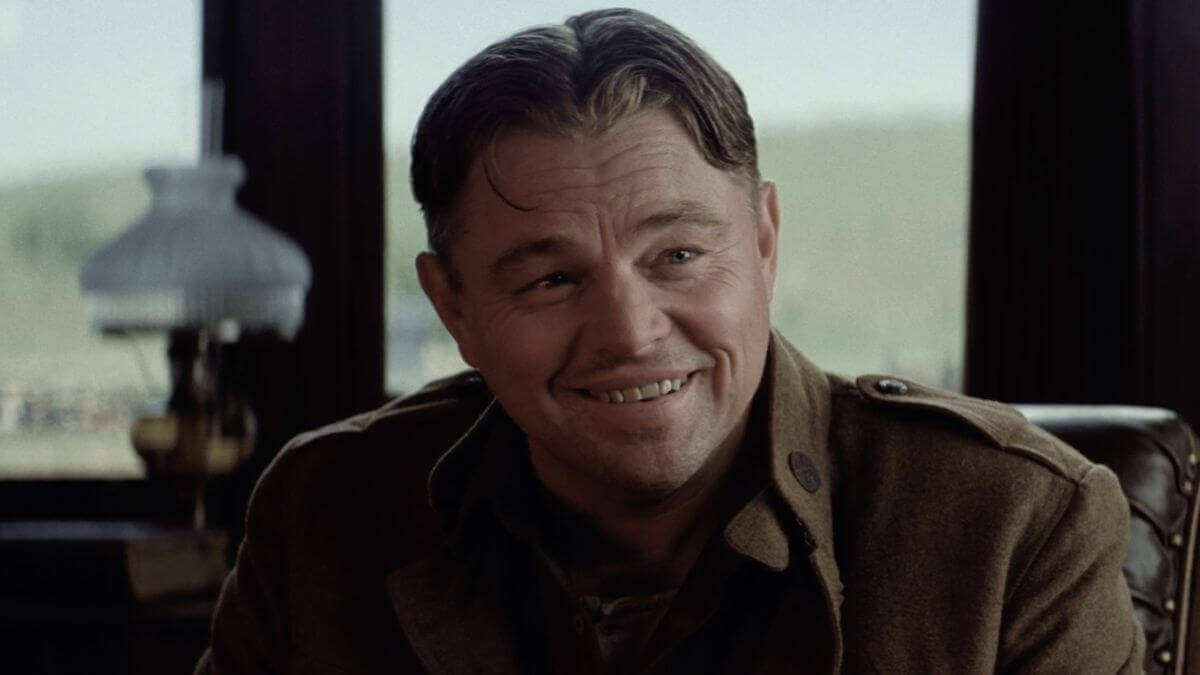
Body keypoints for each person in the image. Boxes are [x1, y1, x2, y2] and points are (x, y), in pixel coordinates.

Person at [197, 8, 1143, 674]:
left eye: (679, 255)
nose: (630, 332)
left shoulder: (1015, 524)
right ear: (454, 308)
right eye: (551, 280)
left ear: (763, 244)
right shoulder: (324, 513)